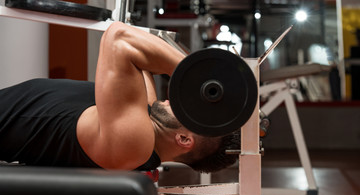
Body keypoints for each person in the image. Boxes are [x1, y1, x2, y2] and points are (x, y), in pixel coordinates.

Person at [0, 22, 239, 173]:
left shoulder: (133, 146)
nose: (185, 102)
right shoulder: (144, 115)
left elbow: (120, 38)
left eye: (195, 111)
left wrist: (196, 75)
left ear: (184, 139)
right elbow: (142, 52)